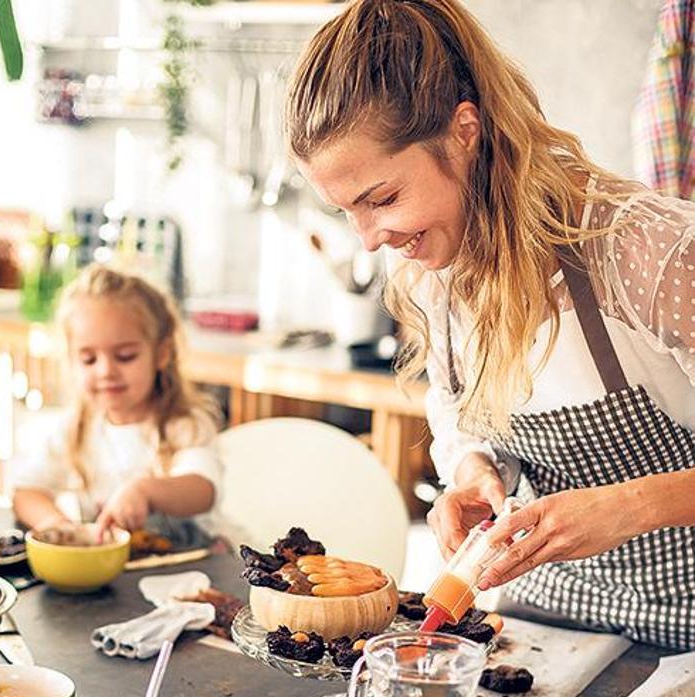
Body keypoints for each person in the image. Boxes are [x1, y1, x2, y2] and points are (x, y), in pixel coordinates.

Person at [286, 0, 695, 650]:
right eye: (346, 211)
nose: (370, 240)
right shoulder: (428, 269)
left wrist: (628, 507)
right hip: (546, 625)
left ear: (464, 131)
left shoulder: (642, 249)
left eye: (383, 199)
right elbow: (456, 411)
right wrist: (478, 470)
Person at [12, 265, 222, 545]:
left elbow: (202, 490)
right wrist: (58, 524)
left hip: (191, 572)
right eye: (89, 359)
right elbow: (25, 492)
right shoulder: (76, 429)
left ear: (161, 354)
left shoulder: (183, 424)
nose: (106, 371)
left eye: (124, 356)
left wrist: (145, 491)